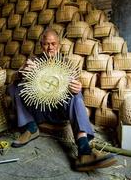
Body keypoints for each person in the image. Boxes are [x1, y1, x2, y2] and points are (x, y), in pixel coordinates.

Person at [8, 28, 116, 171]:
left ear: (58, 45)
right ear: (41, 45)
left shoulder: (66, 64)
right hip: (38, 110)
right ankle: (31, 128)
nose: (50, 47)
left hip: (58, 112)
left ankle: (84, 149)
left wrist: (77, 88)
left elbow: (75, 87)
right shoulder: (33, 61)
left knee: (76, 94)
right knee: (15, 86)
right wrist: (21, 74)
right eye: (46, 44)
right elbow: (12, 79)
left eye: (53, 44)